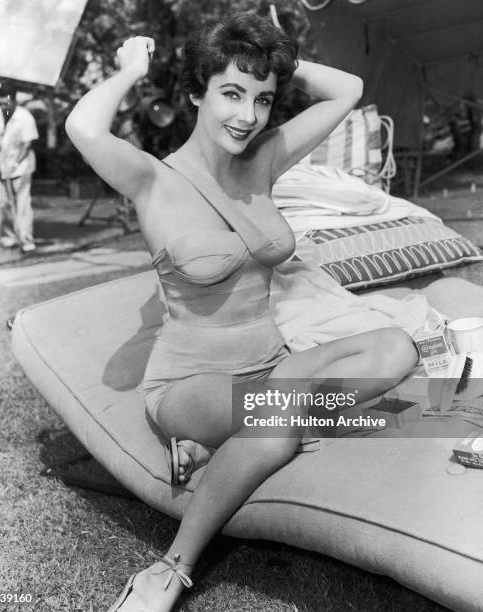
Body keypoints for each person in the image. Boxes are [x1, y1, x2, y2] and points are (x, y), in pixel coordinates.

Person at [65, 13, 418, 612]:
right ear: (198, 92)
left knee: (396, 348)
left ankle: (234, 439)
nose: (247, 115)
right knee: (278, 422)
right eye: (231, 92)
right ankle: (172, 567)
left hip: (274, 366)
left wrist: (273, 59)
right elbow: (83, 125)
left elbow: (350, 90)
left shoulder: (264, 160)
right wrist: (128, 71)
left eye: (262, 98)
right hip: (188, 384)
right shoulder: (151, 179)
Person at [0, 83, 38, 252]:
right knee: (1, 204)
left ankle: (26, 239)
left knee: (22, 204)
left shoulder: (25, 117)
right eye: (0, 103)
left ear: (13, 100)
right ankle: (7, 238)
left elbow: (27, 145)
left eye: (5, 103)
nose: (2, 106)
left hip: (20, 167)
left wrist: (13, 164)